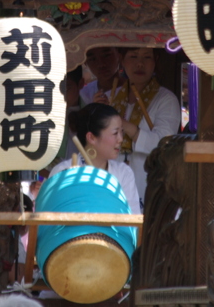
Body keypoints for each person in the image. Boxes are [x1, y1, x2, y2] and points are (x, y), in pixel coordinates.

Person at [96, 48, 180, 202]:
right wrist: (94, 115)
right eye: (133, 56)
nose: (140, 64)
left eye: (147, 57)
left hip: (147, 178)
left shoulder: (166, 99)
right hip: (111, 177)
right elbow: (92, 145)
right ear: (122, 60)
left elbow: (165, 144)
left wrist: (122, 124)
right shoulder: (110, 98)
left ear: (155, 61)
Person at [49, 103, 141, 215]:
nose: (120, 139)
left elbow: (133, 222)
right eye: (115, 133)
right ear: (91, 137)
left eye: (122, 132)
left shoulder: (124, 173)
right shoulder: (62, 172)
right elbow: (50, 222)